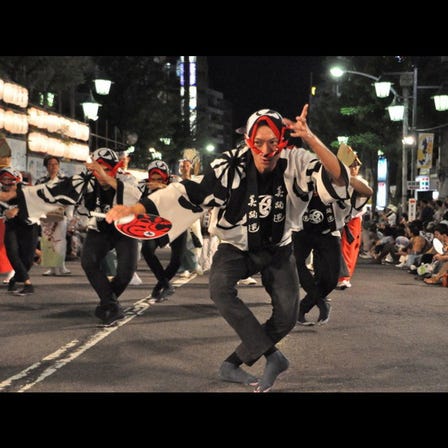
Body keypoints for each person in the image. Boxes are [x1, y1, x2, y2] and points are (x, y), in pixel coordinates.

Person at [105, 105, 349, 392]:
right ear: (248, 141)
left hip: (279, 248)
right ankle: (273, 357)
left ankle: (232, 363)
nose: (265, 150)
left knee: (286, 317)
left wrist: (310, 138)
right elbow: (189, 191)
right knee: (219, 288)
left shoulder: (297, 161)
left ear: (283, 142)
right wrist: (136, 207)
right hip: (235, 246)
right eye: (258, 143)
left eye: (273, 142)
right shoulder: (229, 165)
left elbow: (337, 178)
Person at [0, 148, 142, 324]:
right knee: (88, 261)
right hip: (98, 228)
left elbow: (137, 196)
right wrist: (12, 195)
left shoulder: (126, 178)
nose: (100, 173)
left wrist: (106, 178)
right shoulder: (85, 179)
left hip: (125, 229)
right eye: (97, 169)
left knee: (126, 272)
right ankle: (110, 304)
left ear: (116, 168)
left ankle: (107, 302)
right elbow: (50, 191)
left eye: (105, 169)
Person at [138, 160, 187, 303]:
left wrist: (162, 187)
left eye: (159, 179)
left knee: (177, 260)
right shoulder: (143, 186)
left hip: (177, 222)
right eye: (152, 179)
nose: (155, 182)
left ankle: (159, 287)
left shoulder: (175, 182)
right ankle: (166, 284)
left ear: (166, 177)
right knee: (147, 250)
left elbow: (183, 193)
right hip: (156, 224)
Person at [336, 145, 373, 289]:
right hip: (339, 219)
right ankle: (341, 277)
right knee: (343, 248)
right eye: (352, 165)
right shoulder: (338, 181)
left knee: (350, 249)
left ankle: (344, 277)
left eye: (356, 165)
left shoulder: (359, 182)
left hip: (353, 219)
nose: (355, 168)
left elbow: (367, 193)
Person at [0, 167, 39, 295]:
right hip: (11, 225)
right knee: (12, 253)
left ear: (16, 179)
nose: (5, 182)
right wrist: (5, 212)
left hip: (29, 224)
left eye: (8, 178)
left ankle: (14, 279)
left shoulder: (26, 189)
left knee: (27, 259)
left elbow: (35, 204)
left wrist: (17, 209)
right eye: (3, 179)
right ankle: (28, 284)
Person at [36, 155, 72, 276]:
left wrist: (68, 213)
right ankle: (51, 267)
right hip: (46, 213)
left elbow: (70, 197)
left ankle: (61, 266)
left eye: (55, 164)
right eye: (50, 164)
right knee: (47, 240)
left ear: (58, 166)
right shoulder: (41, 181)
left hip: (60, 212)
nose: (53, 167)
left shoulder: (65, 180)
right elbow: (36, 196)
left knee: (60, 239)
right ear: (46, 166)